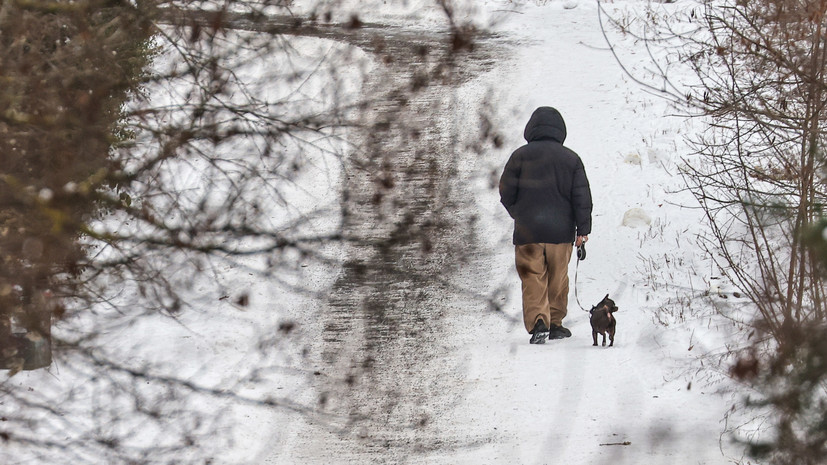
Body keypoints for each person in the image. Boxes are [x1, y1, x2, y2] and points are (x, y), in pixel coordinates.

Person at [499, 106, 593, 344]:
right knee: (558, 278)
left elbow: (506, 191)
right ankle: (556, 323)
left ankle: (539, 323)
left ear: (531, 129)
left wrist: (518, 214)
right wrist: (583, 230)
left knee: (533, 278)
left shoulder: (519, 156)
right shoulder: (571, 159)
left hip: (527, 232)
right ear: (560, 130)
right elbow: (582, 198)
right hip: (561, 234)